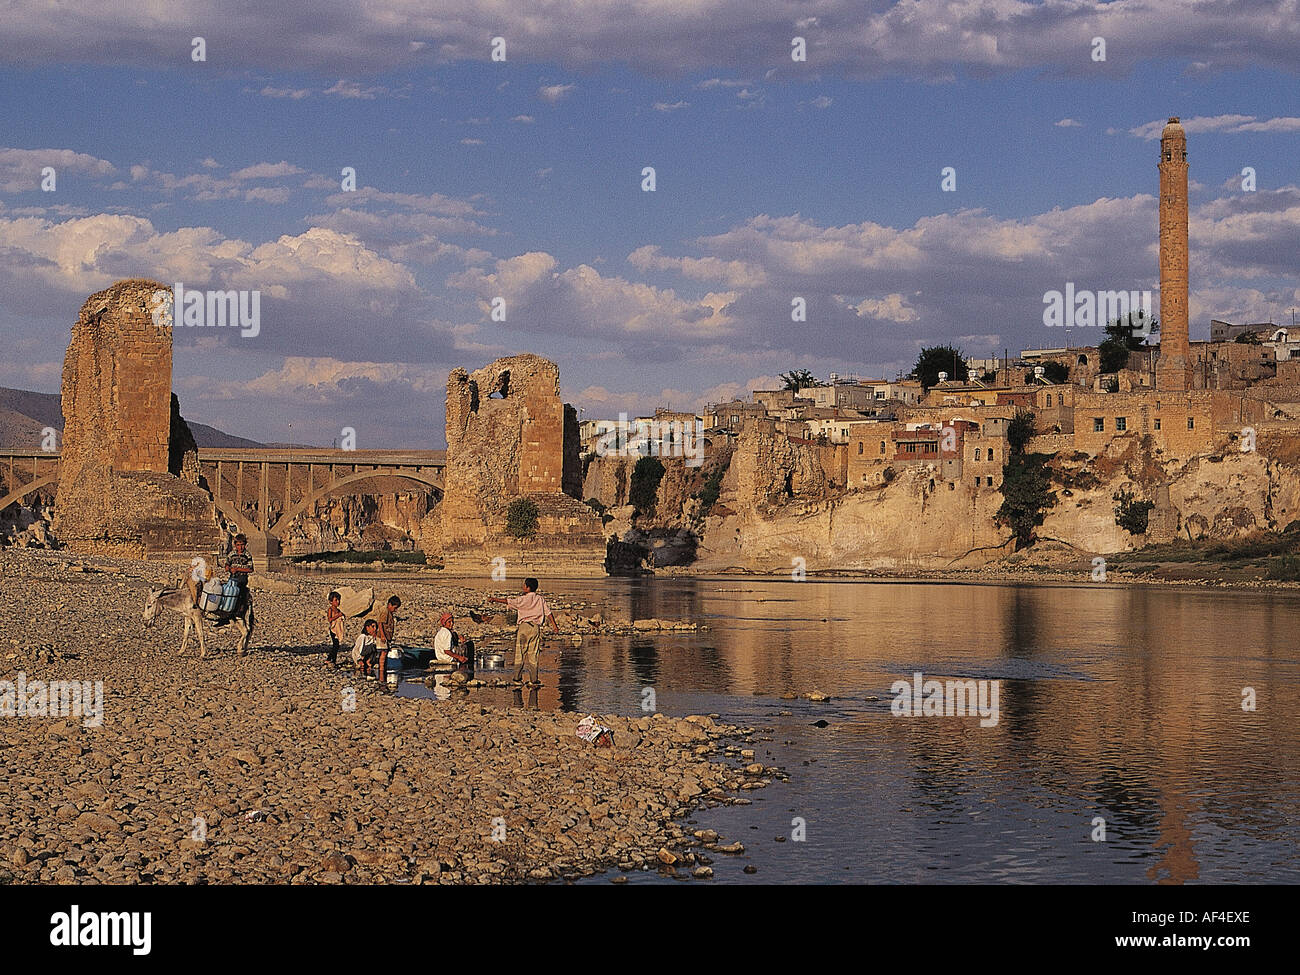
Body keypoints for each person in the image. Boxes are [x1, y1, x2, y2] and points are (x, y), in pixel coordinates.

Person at [489, 577, 558, 688]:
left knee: (520, 653)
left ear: (528, 588)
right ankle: (534, 680)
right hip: (535, 628)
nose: (523, 587)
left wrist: (494, 599)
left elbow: (508, 601)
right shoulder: (540, 599)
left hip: (523, 628)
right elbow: (549, 613)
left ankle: (517, 679)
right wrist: (555, 627)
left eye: (524, 585)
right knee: (533, 654)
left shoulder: (522, 599)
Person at [374, 595, 400, 686]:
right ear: (389, 604)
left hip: (386, 636)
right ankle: (381, 671)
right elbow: (380, 623)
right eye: (395, 608)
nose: (395, 610)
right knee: (383, 652)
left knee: (385, 651)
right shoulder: (385, 611)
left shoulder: (390, 613)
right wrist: (382, 635)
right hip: (382, 636)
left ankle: (382, 669)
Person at [225, 534, 253, 612]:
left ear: (245, 545)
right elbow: (227, 565)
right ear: (235, 545)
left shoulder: (247, 555)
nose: (240, 547)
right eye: (238, 545)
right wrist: (229, 568)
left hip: (242, 578)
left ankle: (239, 610)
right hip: (232, 577)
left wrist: (238, 569)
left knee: (239, 591)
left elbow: (250, 569)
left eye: (242, 545)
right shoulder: (231, 554)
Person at [326, 591, 345, 668]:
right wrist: (338, 616)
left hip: (338, 629)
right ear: (331, 602)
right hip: (333, 629)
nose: (338, 602)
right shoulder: (330, 609)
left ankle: (333, 660)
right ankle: (330, 659)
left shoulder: (338, 610)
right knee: (335, 645)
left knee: (337, 645)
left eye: (338, 600)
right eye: (336, 600)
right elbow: (330, 619)